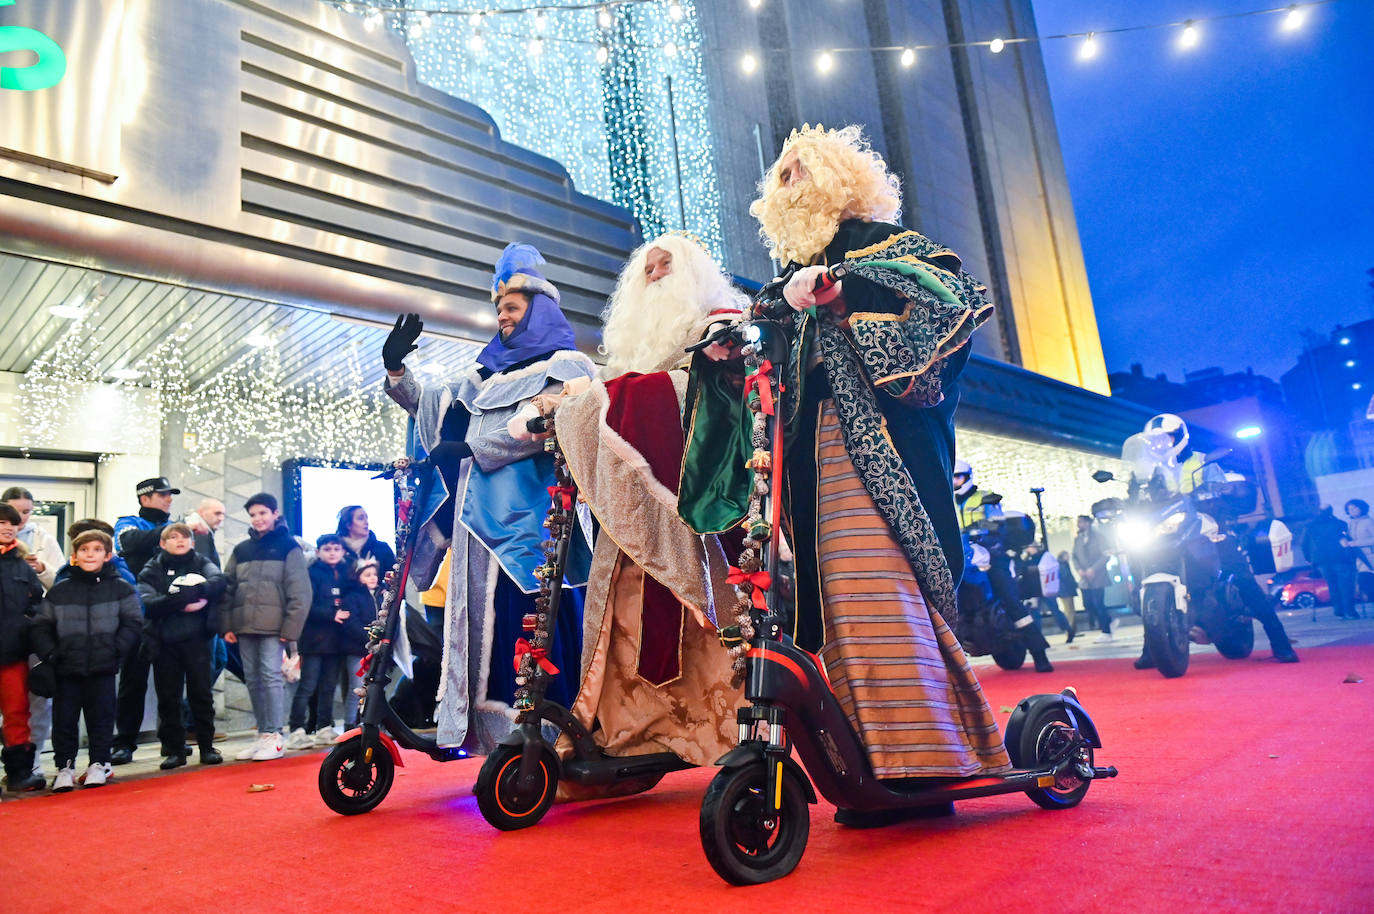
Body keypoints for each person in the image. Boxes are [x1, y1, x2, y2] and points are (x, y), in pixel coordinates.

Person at [683, 124, 1010, 825]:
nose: (788, 178)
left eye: (803, 166)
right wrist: (725, 362)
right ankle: (875, 763)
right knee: (839, 609)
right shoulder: (779, 293)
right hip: (815, 474)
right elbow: (762, 378)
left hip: (880, 462)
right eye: (780, 173)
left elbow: (946, 310)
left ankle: (927, 764)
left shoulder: (889, 251)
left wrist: (841, 300)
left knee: (877, 589)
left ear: (842, 176)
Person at [515, 234, 748, 789]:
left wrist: (600, 401)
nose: (656, 273)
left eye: (668, 264)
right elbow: (618, 397)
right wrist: (580, 402)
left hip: (702, 505)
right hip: (631, 519)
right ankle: (632, 733)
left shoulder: (721, 323)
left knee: (710, 620)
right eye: (647, 268)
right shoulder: (629, 355)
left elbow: (719, 393)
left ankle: (730, 733)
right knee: (622, 621)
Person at [382, 243, 597, 753]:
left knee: (534, 627)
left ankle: (550, 737)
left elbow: (559, 423)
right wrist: (396, 372)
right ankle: (500, 742)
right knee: (488, 633)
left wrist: (475, 446)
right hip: (478, 526)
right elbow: (432, 409)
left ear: (539, 309)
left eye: (512, 308)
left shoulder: (569, 365)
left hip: (536, 527)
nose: (501, 316)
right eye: (499, 309)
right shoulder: (482, 376)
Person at [30, 528, 141, 792]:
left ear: (108, 555)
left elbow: (133, 623)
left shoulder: (121, 588)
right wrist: (51, 653)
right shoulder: (60, 590)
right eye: (84, 550)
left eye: (96, 550)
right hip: (66, 667)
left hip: (103, 666)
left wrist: (116, 649)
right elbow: (41, 626)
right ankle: (64, 768)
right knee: (64, 719)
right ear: (74, 556)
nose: (90, 554)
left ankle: (98, 764)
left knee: (101, 718)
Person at [222, 493, 310, 761]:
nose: (258, 519)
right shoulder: (242, 550)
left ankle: (275, 736)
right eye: (253, 515)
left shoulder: (288, 547)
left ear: (274, 514)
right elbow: (228, 588)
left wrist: (290, 630)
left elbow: (300, 592)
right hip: (244, 626)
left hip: (275, 627)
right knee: (253, 679)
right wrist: (226, 624)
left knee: (271, 678)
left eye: (263, 513)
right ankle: (262, 734)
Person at [136, 523, 228, 769]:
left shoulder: (202, 562)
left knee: (202, 694)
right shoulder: (151, 569)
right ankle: (175, 750)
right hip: (164, 642)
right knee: (169, 698)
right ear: (162, 544)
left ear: (192, 542)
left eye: (185, 537)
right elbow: (147, 601)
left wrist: (199, 590)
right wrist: (175, 601)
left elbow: (219, 580)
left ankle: (207, 747)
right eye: (173, 537)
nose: (180, 541)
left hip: (198, 641)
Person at [110, 476, 180, 765]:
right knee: (132, 681)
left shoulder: (173, 529)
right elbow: (130, 542)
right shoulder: (129, 523)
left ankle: (172, 742)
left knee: (171, 682)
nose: (169, 499)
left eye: (170, 495)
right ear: (145, 498)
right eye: (163, 495)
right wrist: (174, 531)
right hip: (137, 616)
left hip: (169, 615)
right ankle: (124, 743)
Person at [287, 533, 349, 749]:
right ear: (318, 551)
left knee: (329, 685)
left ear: (343, 552)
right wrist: (331, 614)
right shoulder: (311, 573)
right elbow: (306, 604)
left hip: (336, 640)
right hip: (313, 639)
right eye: (327, 549)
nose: (332, 553)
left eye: (336, 549)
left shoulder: (345, 573)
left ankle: (324, 726)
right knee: (308, 685)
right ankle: (296, 729)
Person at [0, 502, 46, 793]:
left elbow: (37, 602)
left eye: (12, 524)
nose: (7, 528)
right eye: (1, 523)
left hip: (14, 653)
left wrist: (29, 624)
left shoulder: (23, 564)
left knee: (18, 713)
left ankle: (19, 774)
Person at [338, 558, 381, 730]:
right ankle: (350, 723)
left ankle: (373, 721)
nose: (373, 578)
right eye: (367, 575)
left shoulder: (381, 595)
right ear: (358, 577)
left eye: (374, 575)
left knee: (376, 688)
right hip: (357, 650)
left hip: (377, 651)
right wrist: (370, 639)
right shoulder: (352, 597)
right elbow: (352, 624)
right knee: (356, 688)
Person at [1301, 506, 1359, 620]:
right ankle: (1350, 612)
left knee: (1332, 586)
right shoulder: (1340, 524)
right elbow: (1347, 540)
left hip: (1321, 560)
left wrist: (1309, 559)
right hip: (1341, 559)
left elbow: (1304, 544)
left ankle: (1339, 612)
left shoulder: (1309, 526)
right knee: (1346, 585)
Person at [2, 487, 63, 590]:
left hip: (30, 603)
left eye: (26, 512)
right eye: (14, 511)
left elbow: (63, 584)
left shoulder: (46, 540)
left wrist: (42, 569)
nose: (20, 517)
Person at [1073, 515, 1114, 643]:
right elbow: (1074, 556)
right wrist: (1079, 569)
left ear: (1088, 523)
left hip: (1098, 575)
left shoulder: (1098, 537)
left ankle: (1106, 631)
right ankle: (1108, 621)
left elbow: (1106, 555)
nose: (1078, 524)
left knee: (1098, 602)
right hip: (1085, 577)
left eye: (1081, 522)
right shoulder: (1078, 539)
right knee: (1088, 603)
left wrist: (1094, 569)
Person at [334, 506, 396, 578]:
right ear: (348, 525)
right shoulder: (335, 551)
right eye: (361, 518)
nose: (366, 522)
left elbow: (395, 579)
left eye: (366, 518)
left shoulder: (382, 548)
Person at [953, 461, 1003, 531]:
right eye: (952, 477)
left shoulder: (987, 498)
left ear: (968, 477)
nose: (954, 481)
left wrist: (980, 525)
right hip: (961, 541)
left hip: (985, 540)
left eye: (958, 477)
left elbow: (999, 526)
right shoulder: (950, 502)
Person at [1345, 499, 1374, 605]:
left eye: (1354, 508)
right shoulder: (1351, 523)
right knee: (1364, 584)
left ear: (1361, 508)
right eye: (1349, 509)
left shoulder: (1369, 521)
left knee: (1367, 581)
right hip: (1358, 558)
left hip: (1369, 557)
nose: (1351, 511)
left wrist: (1356, 543)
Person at [1057, 550, 1080, 638]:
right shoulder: (1063, 565)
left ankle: (1072, 629)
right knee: (1069, 611)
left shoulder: (1062, 564)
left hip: (1065, 590)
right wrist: (1075, 584)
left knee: (1069, 610)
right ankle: (1070, 629)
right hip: (1066, 591)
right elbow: (1066, 577)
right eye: (1067, 555)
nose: (1069, 557)